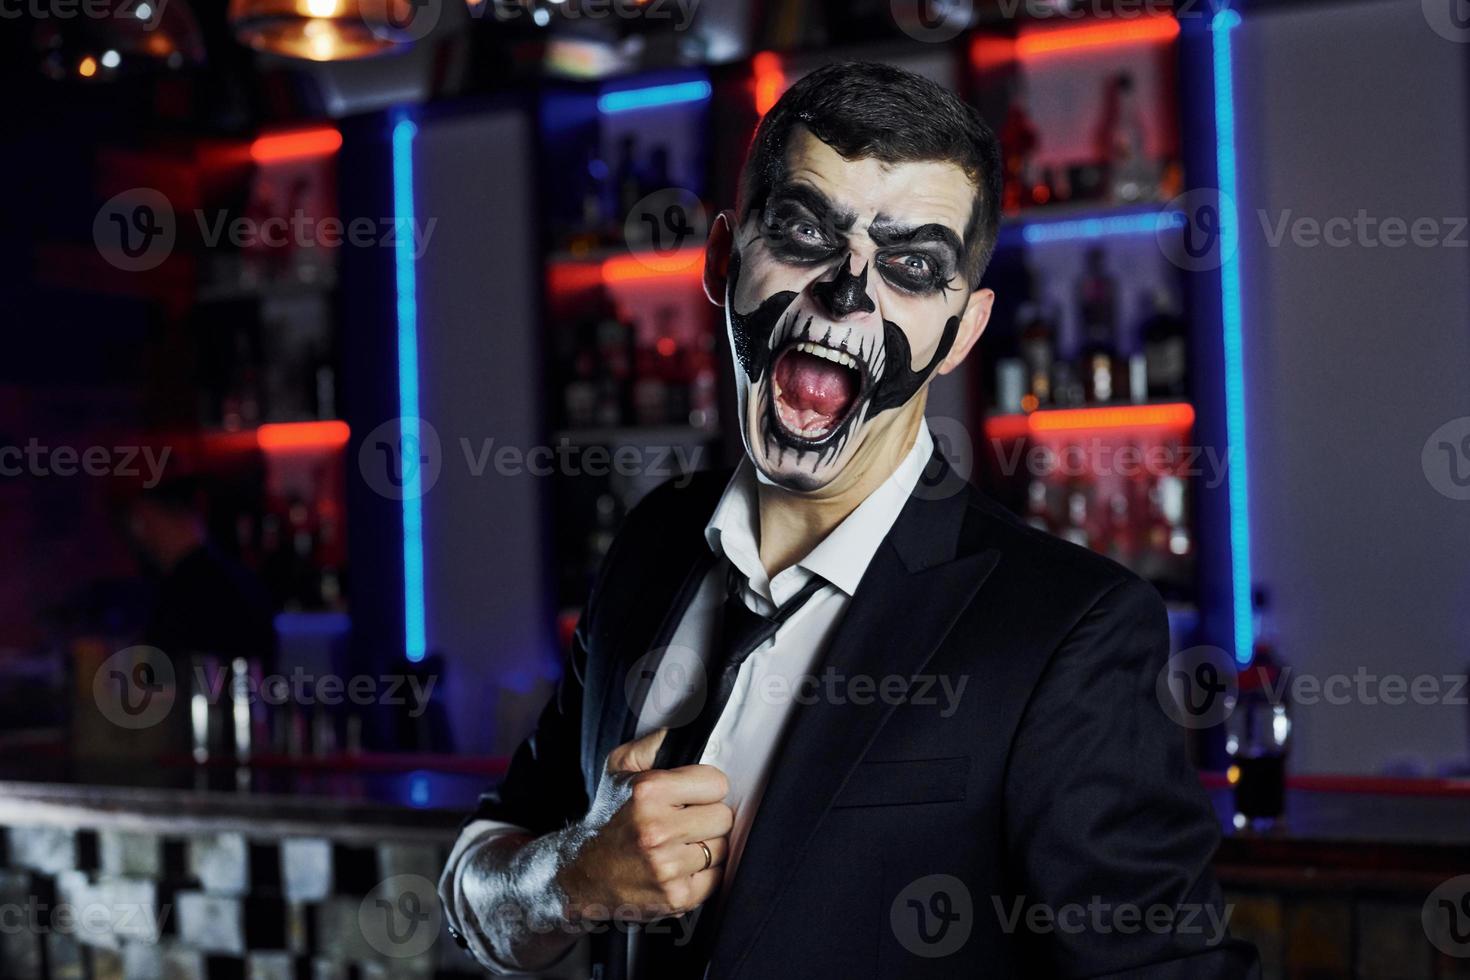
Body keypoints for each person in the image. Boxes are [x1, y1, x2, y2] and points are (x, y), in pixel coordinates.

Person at [439, 61, 1259, 979]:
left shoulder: (1068, 631)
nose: (847, 291)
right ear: (722, 261)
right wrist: (572, 880)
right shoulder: (651, 545)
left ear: (961, 332)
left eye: (913, 266)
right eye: (802, 230)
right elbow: (480, 876)